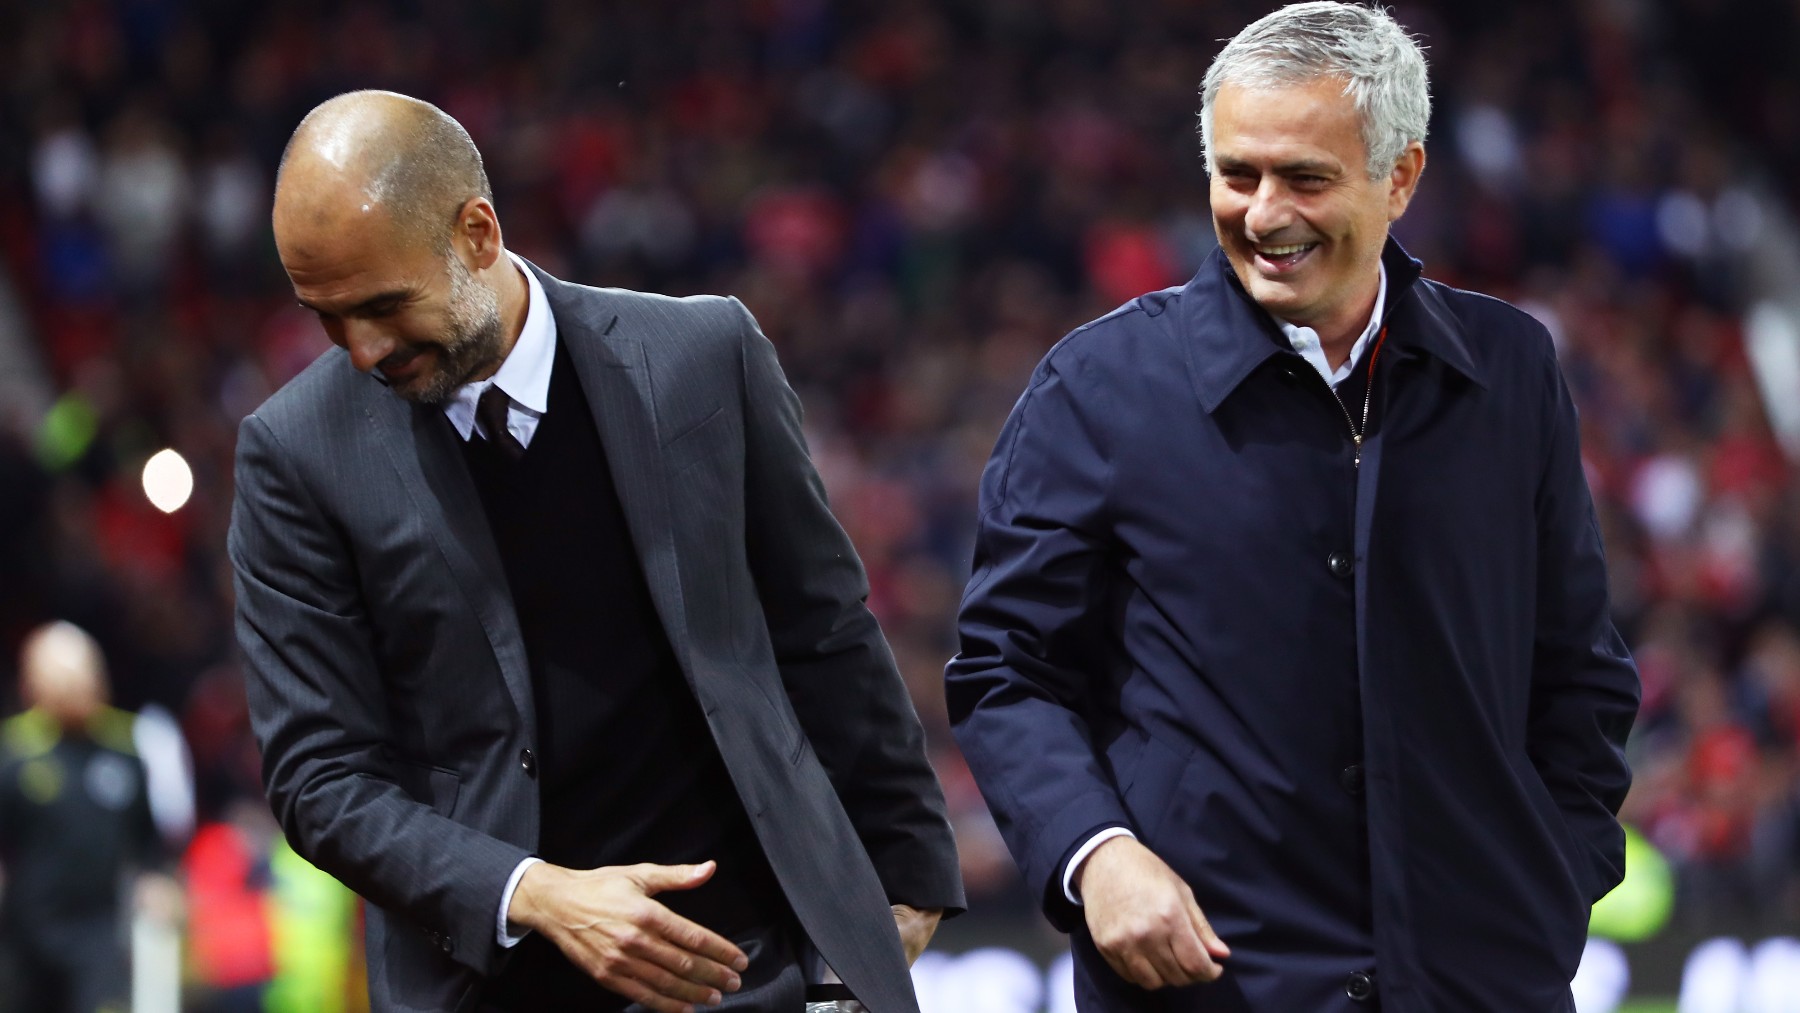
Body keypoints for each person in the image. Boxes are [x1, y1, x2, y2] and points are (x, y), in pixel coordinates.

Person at [945, 4, 1639, 1010]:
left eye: (1306, 177)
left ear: (1400, 176)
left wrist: (1548, 884)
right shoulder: (1097, 384)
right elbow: (1007, 667)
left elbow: (1578, 669)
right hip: (1209, 985)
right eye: (1238, 174)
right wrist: (1097, 855)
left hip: (1480, 982)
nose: (1265, 213)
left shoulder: (1512, 371)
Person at [230, 90, 961, 1013]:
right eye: (326, 317)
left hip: (758, 962)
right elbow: (319, 777)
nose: (362, 350)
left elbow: (821, 624)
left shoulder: (704, 351)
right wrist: (537, 893)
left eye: (381, 305)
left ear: (477, 232)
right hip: (499, 986)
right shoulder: (295, 453)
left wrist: (907, 865)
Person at [0, 621, 177, 1013]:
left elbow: (148, 844)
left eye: (84, 673)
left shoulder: (125, 748)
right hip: (25, 937)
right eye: (62, 676)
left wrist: (157, 882)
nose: (76, 685)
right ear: (33, 683)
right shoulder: (13, 753)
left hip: (100, 935)